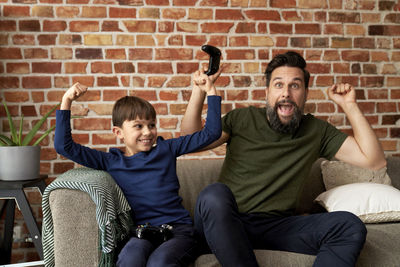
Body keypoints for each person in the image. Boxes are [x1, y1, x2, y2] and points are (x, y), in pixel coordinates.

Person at [180, 51, 386, 267]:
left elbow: (374, 161)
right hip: (226, 222)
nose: (286, 93)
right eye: (278, 85)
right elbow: (188, 142)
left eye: (295, 85)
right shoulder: (241, 119)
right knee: (214, 195)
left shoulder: (317, 131)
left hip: (276, 227)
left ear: (305, 92)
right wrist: (199, 90)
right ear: (268, 92)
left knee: (348, 225)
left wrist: (349, 105)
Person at [54, 67, 222, 267]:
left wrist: (211, 91)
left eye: (151, 125)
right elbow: (64, 146)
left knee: (159, 263)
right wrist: (67, 101)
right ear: (119, 133)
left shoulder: (166, 149)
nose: (148, 132)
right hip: (142, 233)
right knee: (130, 258)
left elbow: (211, 133)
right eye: (138, 126)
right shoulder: (110, 161)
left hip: (179, 231)